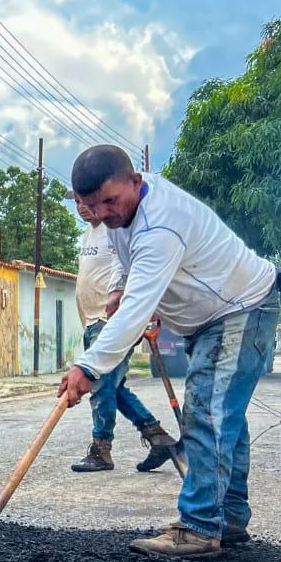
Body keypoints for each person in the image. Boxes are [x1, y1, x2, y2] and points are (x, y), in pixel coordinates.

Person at [58, 145, 279, 559]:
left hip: (240, 308)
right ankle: (227, 517)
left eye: (111, 201)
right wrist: (120, 286)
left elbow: (138, 309)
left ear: (136, 182)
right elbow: (127, 257)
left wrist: (88, 367)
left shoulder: (161, 224)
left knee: (208, 411)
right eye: (92, 206)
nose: (104, 212)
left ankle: (198, 526)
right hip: (214, 317)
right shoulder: (123, 213)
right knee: (223, 414)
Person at [70, 193, 177, 473]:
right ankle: (157, 437)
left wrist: (122, 295)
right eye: (76, 202)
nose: (81, 207)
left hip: (113, 321)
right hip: (92, 320)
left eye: (86, 201)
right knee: (112, 386)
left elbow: (127, 265)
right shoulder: (87, 236)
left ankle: (101, 449)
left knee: (101, 383)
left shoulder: (114, 231)